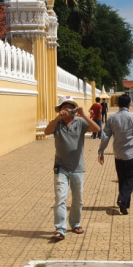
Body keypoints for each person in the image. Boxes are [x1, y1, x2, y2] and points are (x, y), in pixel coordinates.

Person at [44, 95, 100, 241]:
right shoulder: (57, 123)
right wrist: (57, 118)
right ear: (60, 109)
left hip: (77, 167)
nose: (67, 110)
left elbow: (96, 129)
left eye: (70, 108)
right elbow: (46, 132)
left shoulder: (80, 122)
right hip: (61, 167)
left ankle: (75, 223)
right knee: (60, 198)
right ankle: (60, 228)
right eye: (64, 107)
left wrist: (84, 115)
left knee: (78, 199)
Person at [98, 94, 133, 214]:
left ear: (117, 104)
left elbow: (105, 136)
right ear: (129, 104)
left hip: (118, 153)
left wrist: (101, 151)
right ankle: (122, 200)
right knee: (131, 178)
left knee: (122, 178)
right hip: (131, 152)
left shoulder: (112, 118)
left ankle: (125, 204)